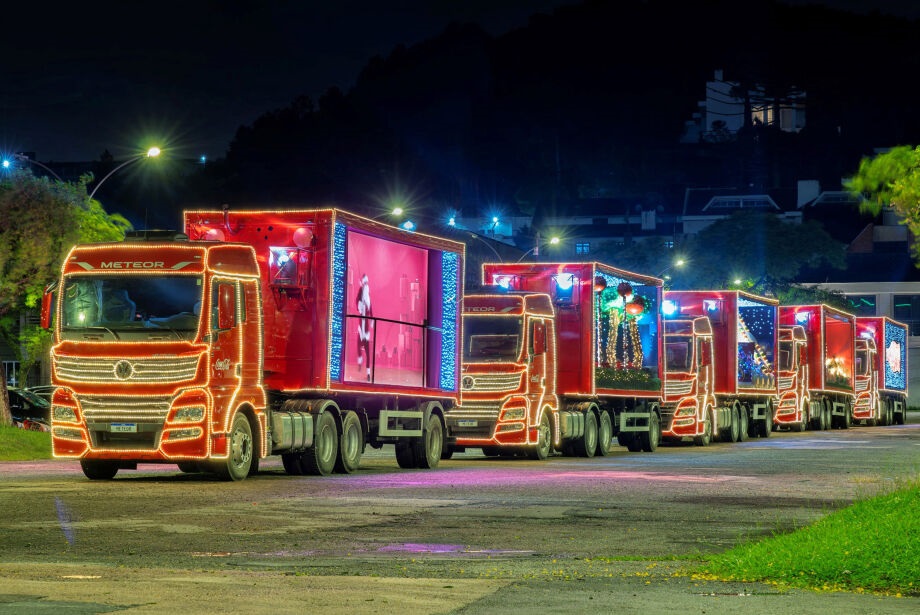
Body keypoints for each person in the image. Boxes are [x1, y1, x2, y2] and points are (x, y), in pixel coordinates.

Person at [356, 273, 372, 381]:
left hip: (366, 331)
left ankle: (368, 373)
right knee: (358, 347)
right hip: (361, 329)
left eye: (367, 283)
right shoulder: (361, 294)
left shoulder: (368, 300)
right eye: (364, 282)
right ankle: (360, 362)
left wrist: (371, 321)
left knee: (367, 351)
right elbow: (357, 300)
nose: (366, 285)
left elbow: (371, 309)